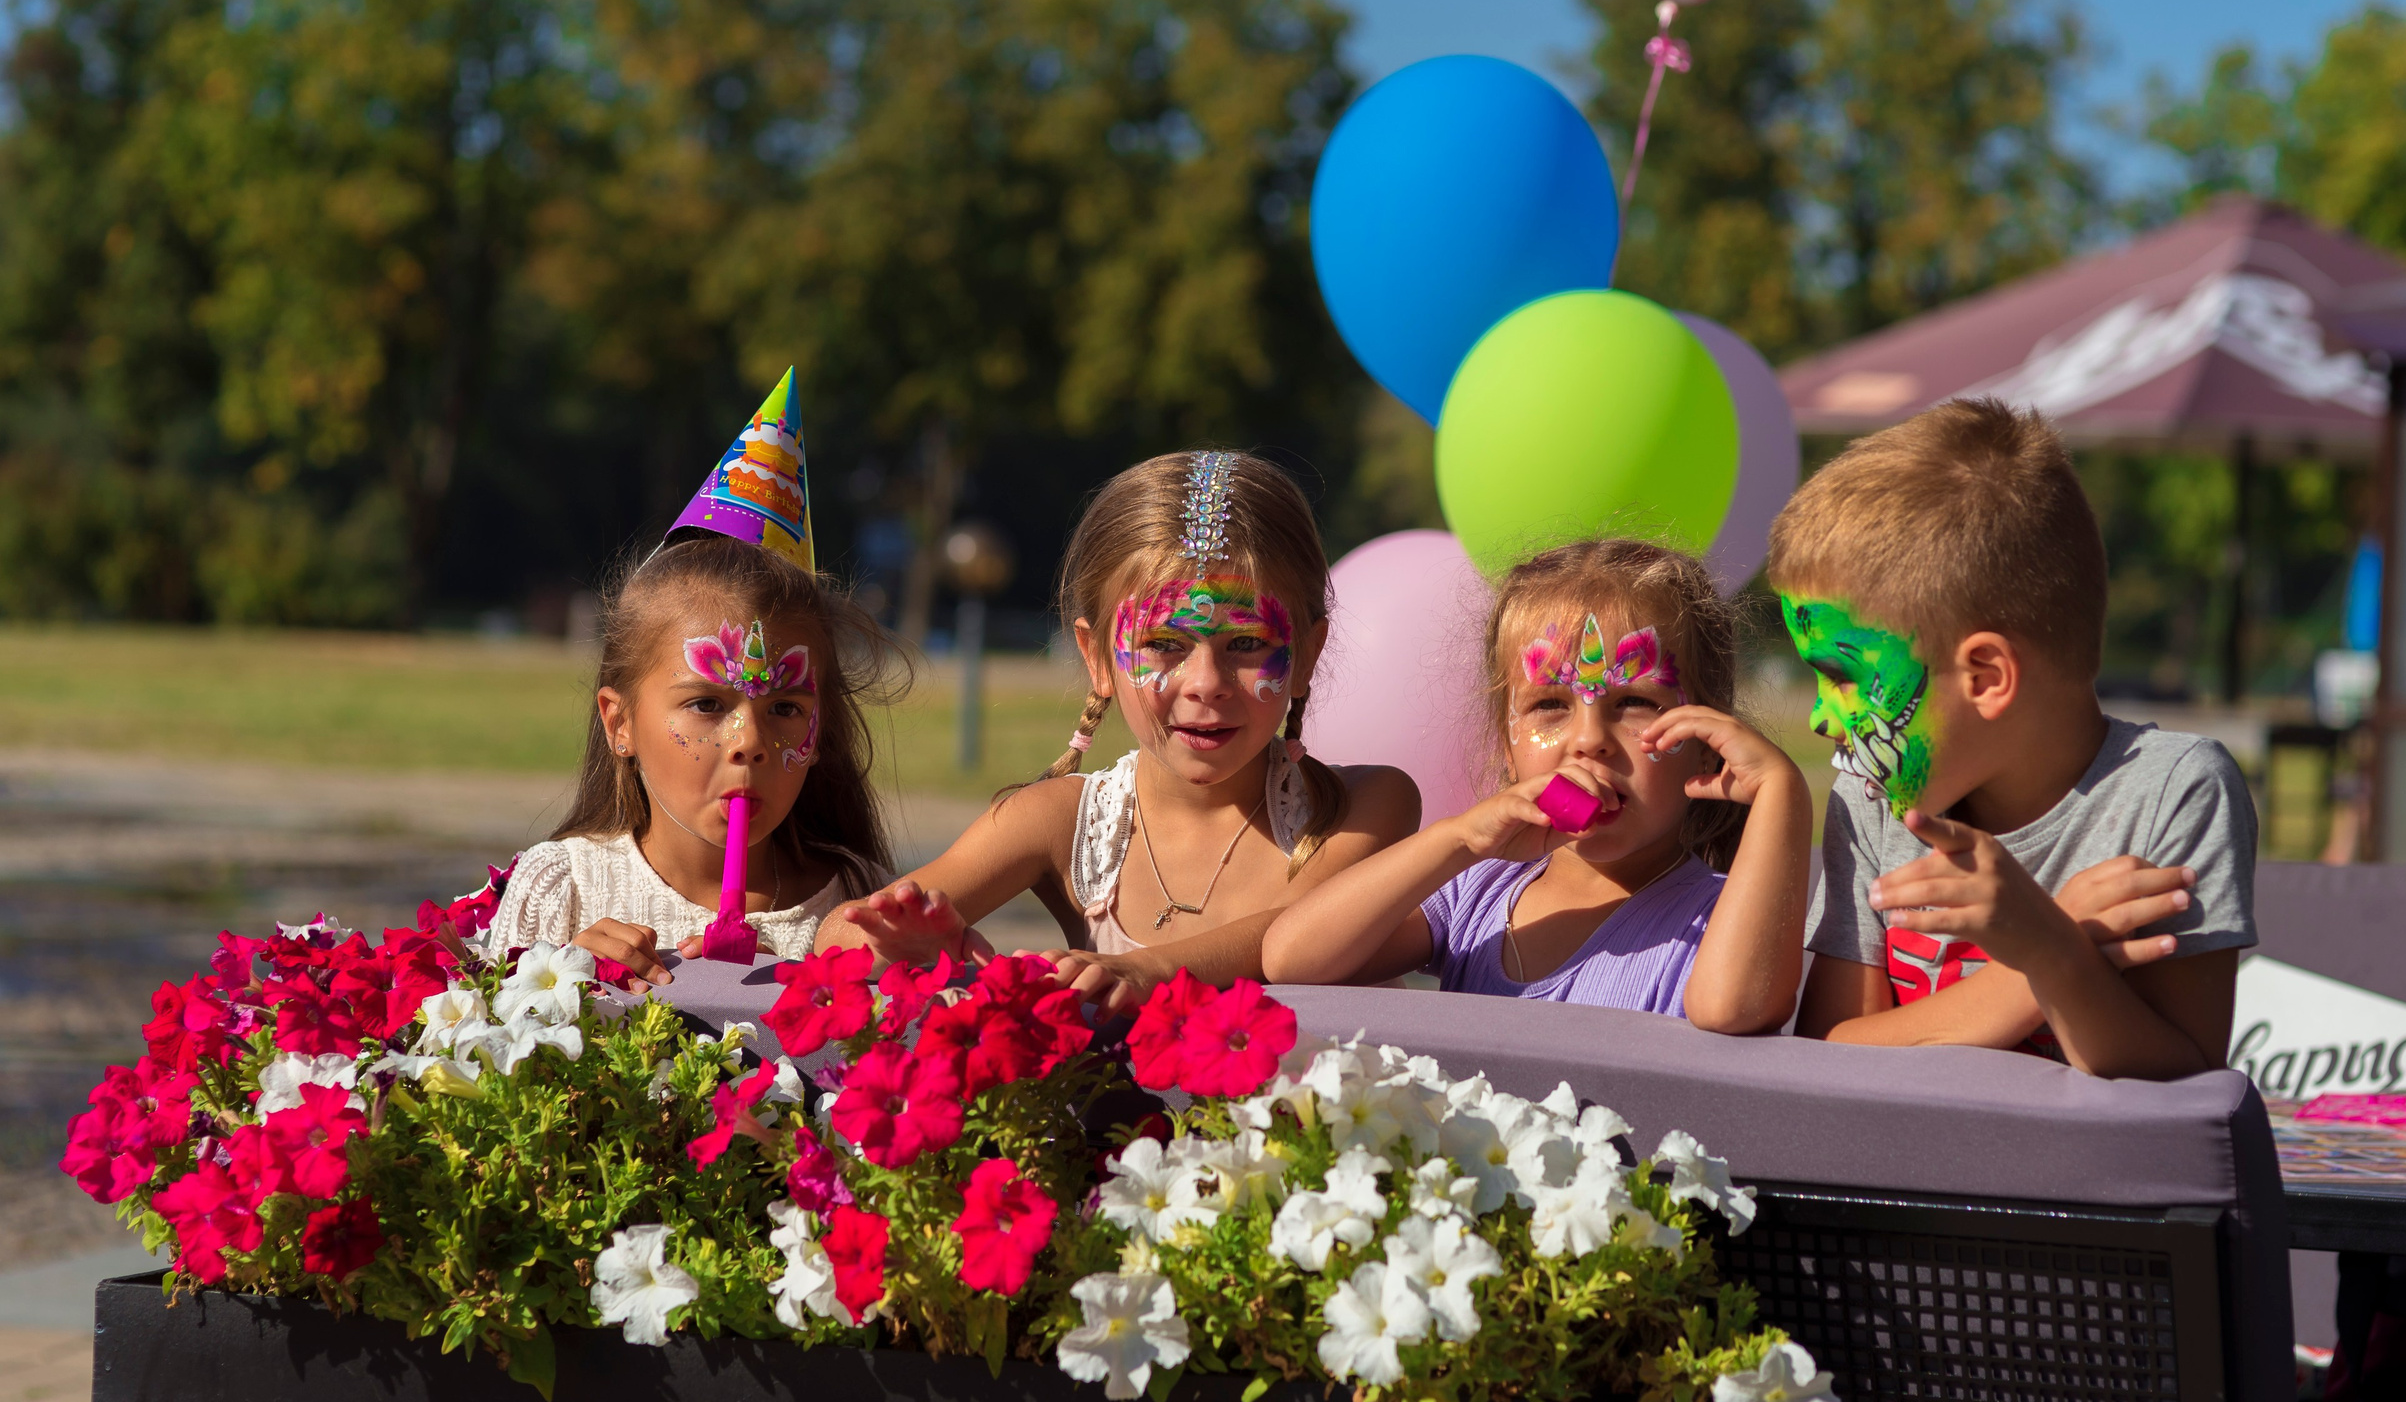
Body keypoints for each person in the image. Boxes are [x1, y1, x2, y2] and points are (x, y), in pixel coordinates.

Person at [819, 451, 1420, 1012]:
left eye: (1246, 643)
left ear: (1308, 656)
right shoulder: (1056, 821)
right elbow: (839, 936)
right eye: (1163, 644)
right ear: (1098, 657)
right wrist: (901, 940)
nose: (1206, 683)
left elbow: (1292, 931)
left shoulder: (1364, 808)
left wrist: (1146, 969)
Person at [1776, 398, 2253, 1079]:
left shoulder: (2173, 791)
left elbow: (2182, 1084)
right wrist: (2052, 952)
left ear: (1987, 675)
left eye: (1842, 677)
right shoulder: (1870, 794)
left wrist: (2048, 946)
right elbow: (1830, 1051)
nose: (1822, 715)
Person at [1262, 539, 1810, 1030]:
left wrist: (1782, 795)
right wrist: (1461, 839)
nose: (1589, 740)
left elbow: (1734, 1007)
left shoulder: (1720, 916)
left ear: (1707, 738)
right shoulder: (1477, 892)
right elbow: (1293, 959)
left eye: (1636, 702)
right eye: (1550, 705)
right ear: (1506, 741)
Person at [483, 370, 900, 975]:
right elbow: (479, 1052)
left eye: (786, 708)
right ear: (618, 721)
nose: (751, 742)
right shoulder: (562, 891)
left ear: (821, 729)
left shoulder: (864, 906)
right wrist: (562, 990)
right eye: (707, 705)